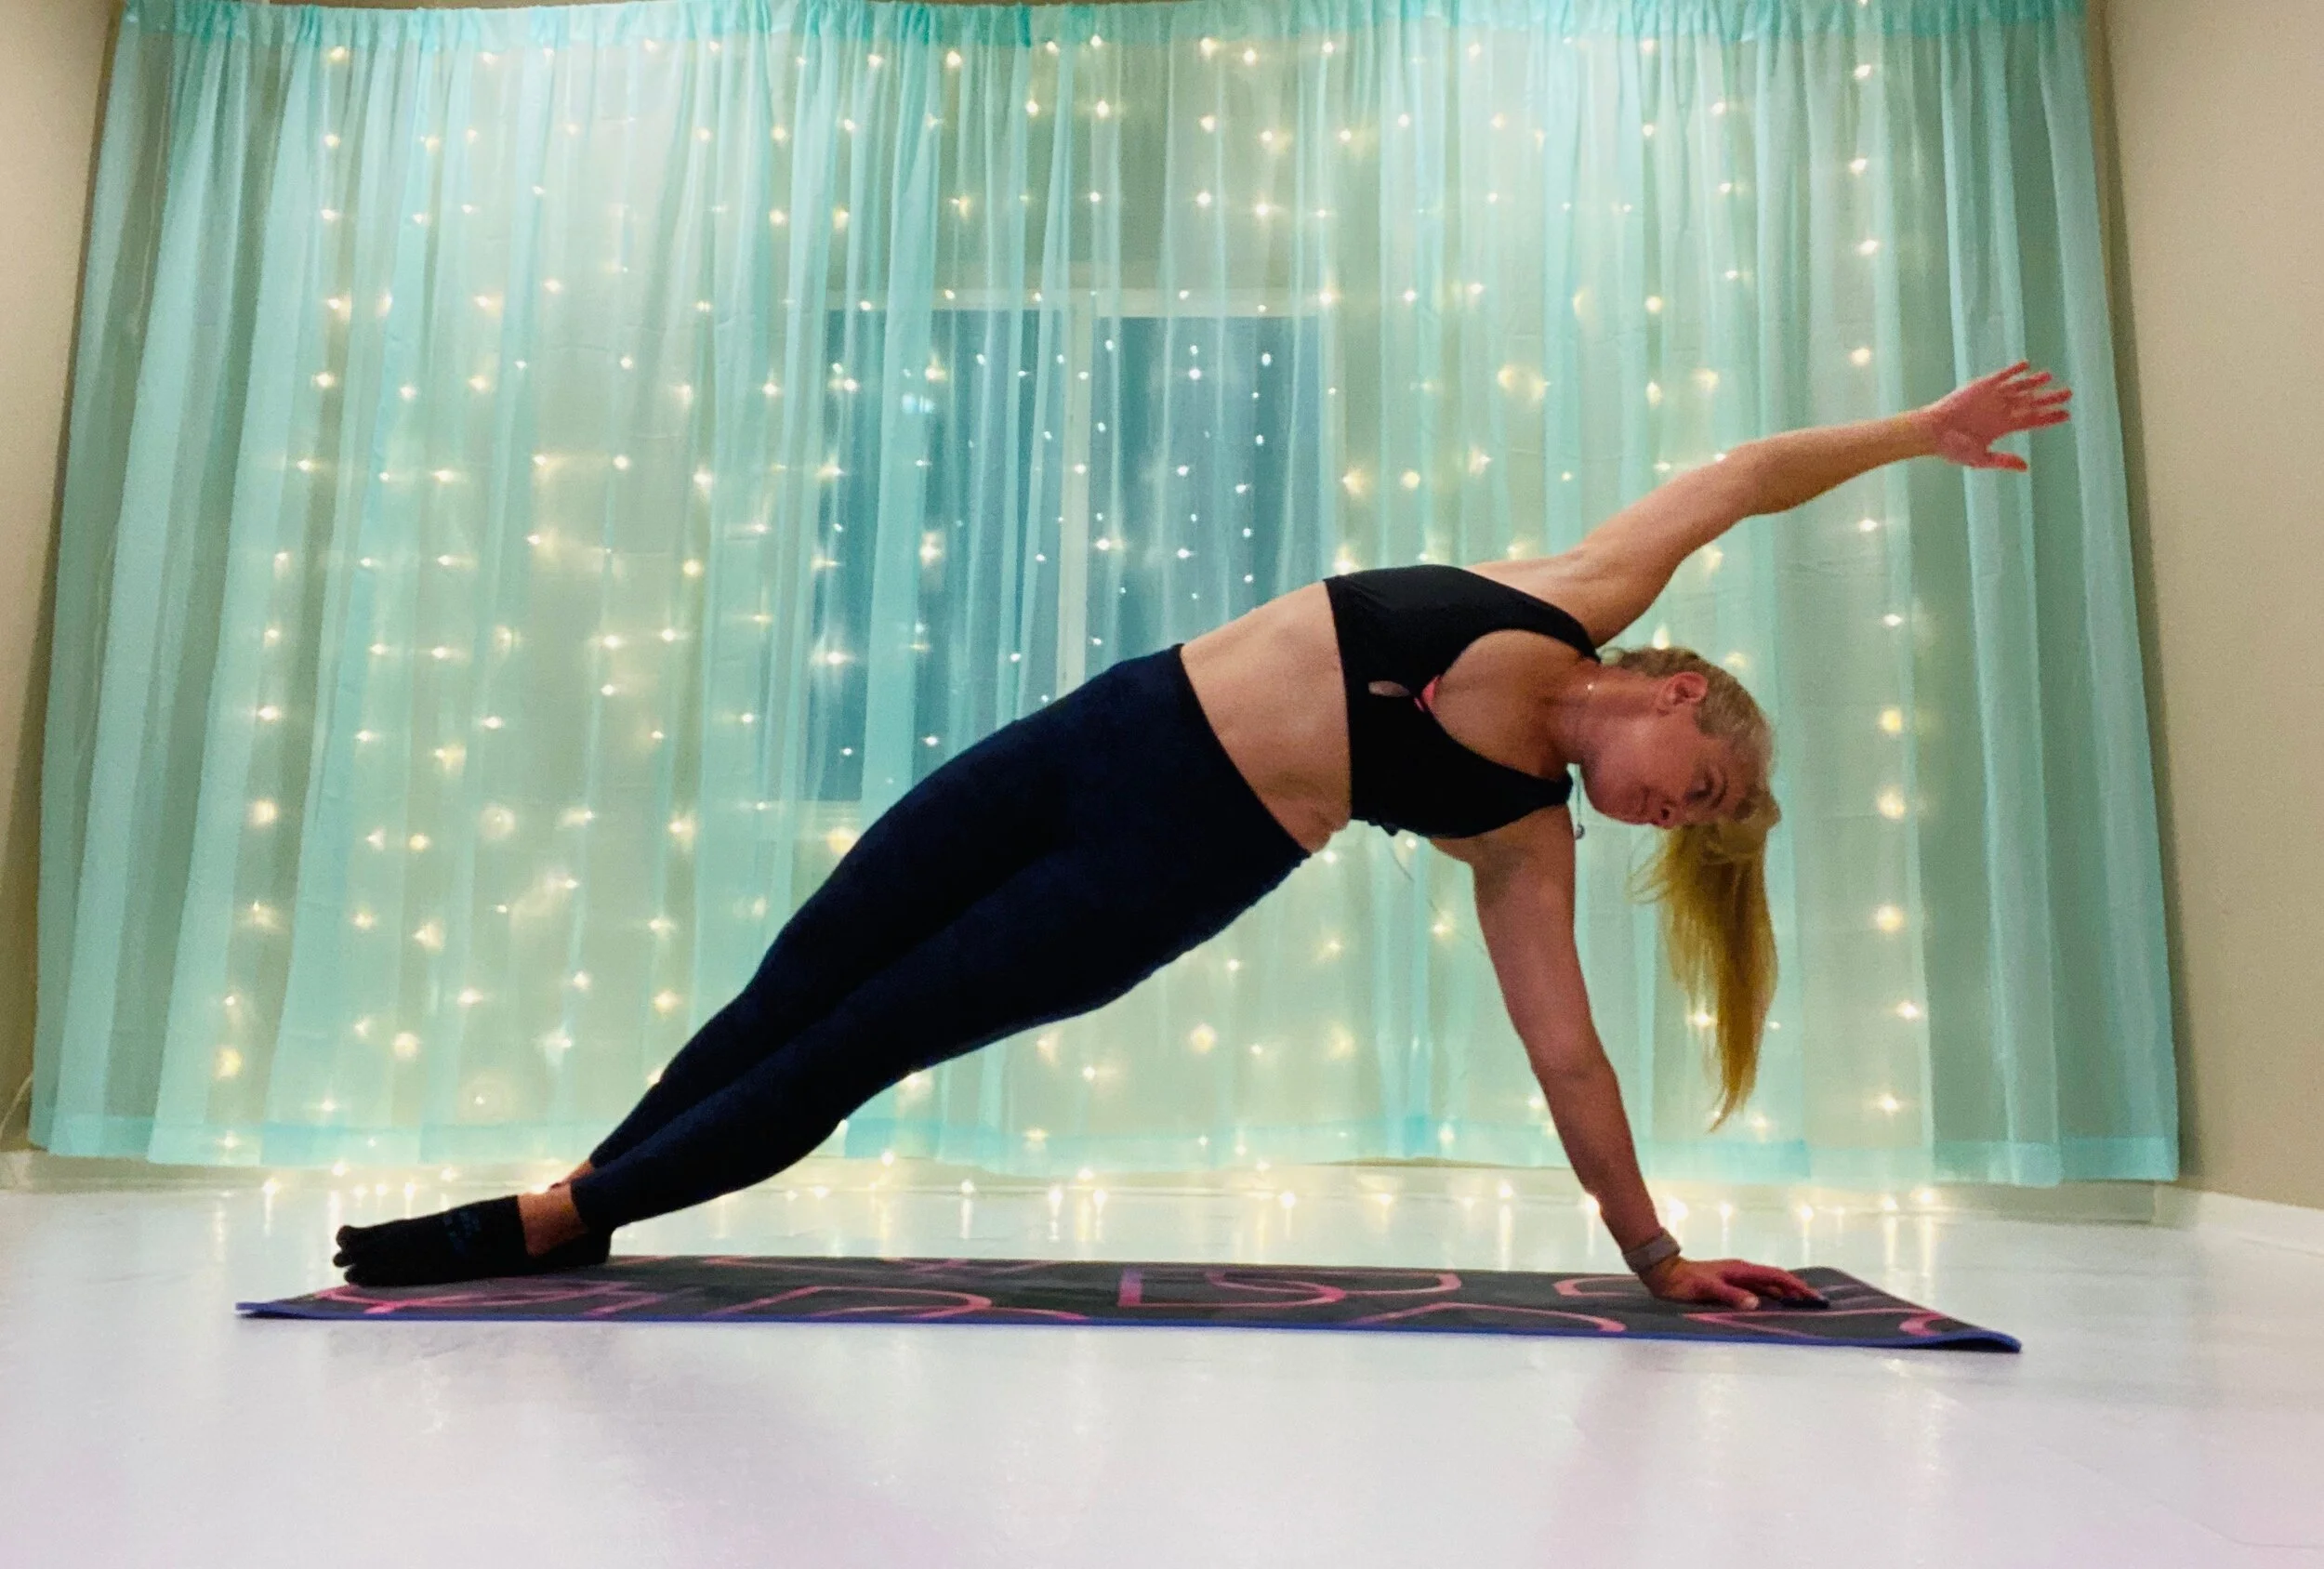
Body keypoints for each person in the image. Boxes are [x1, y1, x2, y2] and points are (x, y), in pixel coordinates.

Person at [334, 362, 2070, 1301]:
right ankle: (603, 1194)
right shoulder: (1577, 592)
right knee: (798, 976)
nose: (1650, 821)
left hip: (1154, 870)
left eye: (1673, 831)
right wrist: (1923, 434)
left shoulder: (1518, 837)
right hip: (1100, 732)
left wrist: (1657, 1253)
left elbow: (1571, 1060)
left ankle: (547, 1225)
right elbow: (1750, 470)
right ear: (1680, 700)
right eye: (1682, 797)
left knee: (857, 1043)